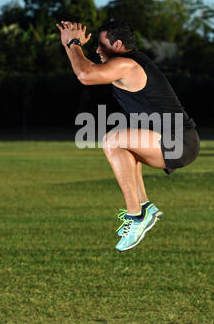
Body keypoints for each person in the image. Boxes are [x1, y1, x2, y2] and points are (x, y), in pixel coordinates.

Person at [56, 19, 200, 252]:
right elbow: (85, 69)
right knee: (122, 144)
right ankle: (144, 207)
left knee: (112, 140)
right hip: (174, 140)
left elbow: (85, 74)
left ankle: (136, 217)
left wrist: (73, 43)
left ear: (118, 44)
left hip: (178, 143)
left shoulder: (127, 65)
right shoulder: (129, 62)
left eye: (102, 45)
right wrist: (69, 45)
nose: (97, 50)